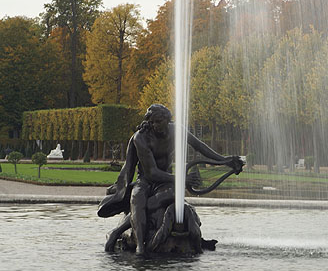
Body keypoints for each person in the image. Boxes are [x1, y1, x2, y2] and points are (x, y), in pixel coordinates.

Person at [98, 104, 243, 254]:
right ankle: (138, 245)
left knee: (168, 196)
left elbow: (199, 146)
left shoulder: (176, 130)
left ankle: (117, 232)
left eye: (158, 121)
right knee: (137, 198)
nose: (154, 125)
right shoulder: (141, 138)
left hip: (166, 180)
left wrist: (224, 161)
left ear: (167, 120)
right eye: (152, 122)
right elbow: (152, 172)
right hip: (146, 180)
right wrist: (181, 179)